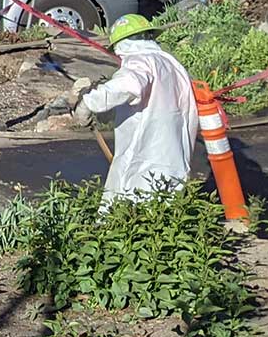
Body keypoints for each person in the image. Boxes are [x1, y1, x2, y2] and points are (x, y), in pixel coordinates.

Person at [73, 14, 200, 203]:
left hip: (145, 154)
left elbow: (128, 85)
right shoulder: (171, 64)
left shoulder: (139, 61)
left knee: (127, 204)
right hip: (174, 153)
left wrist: (87, 104)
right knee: (168, 204)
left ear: (122, 45)